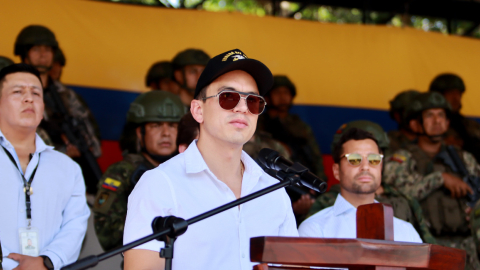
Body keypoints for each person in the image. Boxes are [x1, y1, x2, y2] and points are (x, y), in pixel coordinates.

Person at [123, 49, 298, 270]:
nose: (243, 108)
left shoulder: (274, 191)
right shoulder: (160, 184)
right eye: (228, 97)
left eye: (253, 101)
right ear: (198, 110)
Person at [0, 64, 89, 270]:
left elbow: (75, 225)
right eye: (17, 92)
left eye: (36, 93)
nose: (29, 98)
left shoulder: (67, 168)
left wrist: (47, 261)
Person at [384, 92, 480, 269]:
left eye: (441, 115)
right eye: (429, 115)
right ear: (415, 124)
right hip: (423, 246)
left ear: (448, 122)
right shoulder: (402, 159)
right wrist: (439, 179)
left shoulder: (465, 159)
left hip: (467, 249)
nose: (437, 121)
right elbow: (398, 196)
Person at [307, 120, 436, 243]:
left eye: (374, 159)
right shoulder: (315, 230)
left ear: (381, 167)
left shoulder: (406, 232)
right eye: (354, 159)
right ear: (336, 171)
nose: (365, 166)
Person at [14, 25, 102, 194]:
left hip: (68, 180)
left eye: (48, 49)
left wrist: (80, 147)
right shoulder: (12, 93)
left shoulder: (66, 96)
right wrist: (59, 152)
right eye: (36, 49)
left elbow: (93, 142)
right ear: (24, 53)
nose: (43, 55)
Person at [93, 90, 185, 252]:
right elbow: (106, 233)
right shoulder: (123, 172)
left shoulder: (191, 170)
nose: (165, 133)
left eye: (172, 126)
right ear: (139, 133)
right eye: (155, 126)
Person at [257, 75, 326, 180]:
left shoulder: (300, 125)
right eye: (277, 92)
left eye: (286, 93)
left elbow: (315, 157)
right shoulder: (258, 123)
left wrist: (317, 180)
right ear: (267, 97)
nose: (282, 97)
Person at [429, 73, 480, 164]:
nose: (456, 98)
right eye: (450, 93)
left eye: (458, 93)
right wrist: (441, 145)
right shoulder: (428, 125)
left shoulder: (471, 125)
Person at [388, 90, 420, 154]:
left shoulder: (431, 142)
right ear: (397, 115)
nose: (418, 117)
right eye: (411, 113)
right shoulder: (389, 142)